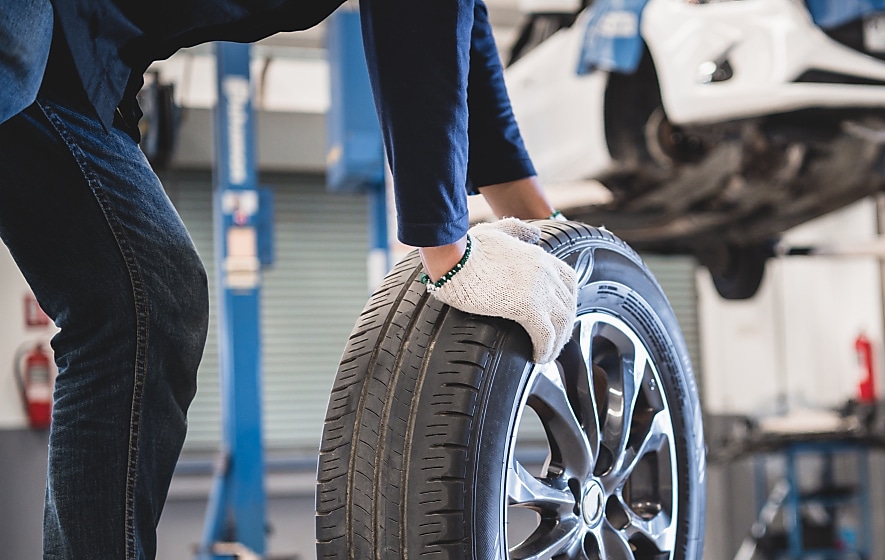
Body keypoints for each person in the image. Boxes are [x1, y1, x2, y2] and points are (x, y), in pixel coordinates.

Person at [0, 0, 578, 558]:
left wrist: (541, 225)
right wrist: (448, 250)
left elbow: (457, 25)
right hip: (31, 36)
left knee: (146, 306)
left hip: (71, 57)